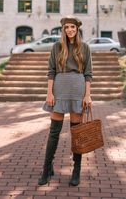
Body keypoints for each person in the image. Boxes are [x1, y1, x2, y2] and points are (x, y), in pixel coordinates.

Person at [38, 15, 92, 187]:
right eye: (67, 27)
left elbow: (88, 74)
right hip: (59, 90)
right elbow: (51, 71)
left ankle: (76, 170)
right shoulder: (57, 47)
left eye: (73, 27)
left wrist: (88, 95)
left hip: (78, 90)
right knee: (54, 132)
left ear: (77, 30)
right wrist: (49, 93)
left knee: (77, 133)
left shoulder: (84, 47)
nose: (70, 30)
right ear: (63, 29)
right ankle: (47, 169)